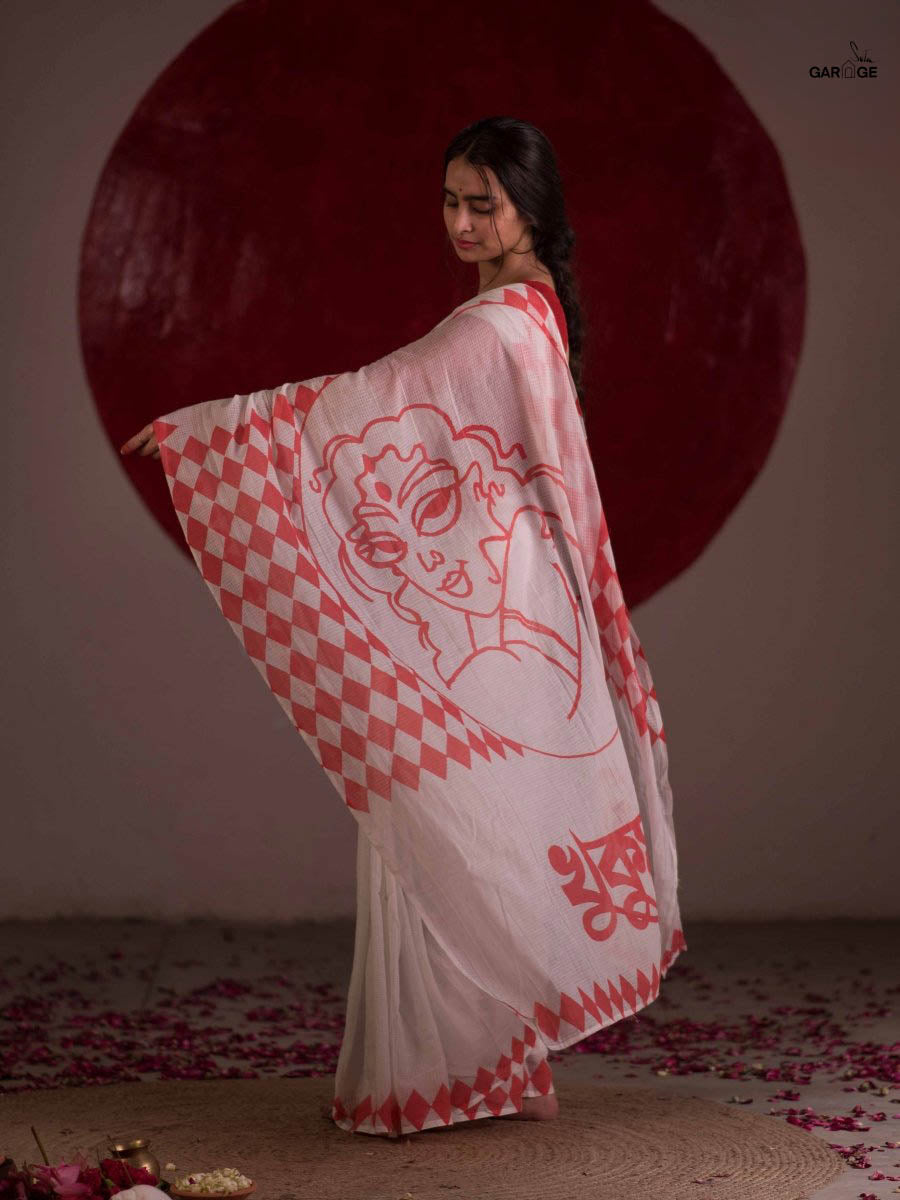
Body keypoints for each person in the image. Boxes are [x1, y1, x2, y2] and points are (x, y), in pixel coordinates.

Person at [121, 116, 686, 1138]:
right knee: (452, 828)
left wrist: (209, 435)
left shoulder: (499, 323)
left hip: (491, 611)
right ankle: (484, 1069)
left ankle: (443, 1077)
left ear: (530, 208)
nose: (462, 223)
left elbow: (373, 400)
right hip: (504, 596)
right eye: (450, 201)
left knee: (434, 830)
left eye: (484, 204)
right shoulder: (529, 305)